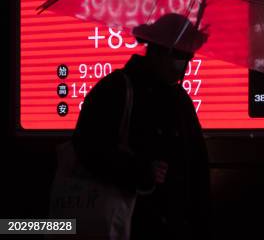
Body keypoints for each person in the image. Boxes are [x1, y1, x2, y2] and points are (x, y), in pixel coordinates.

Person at [72, 14, 212, 239]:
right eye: (179, 54)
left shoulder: (180, 99)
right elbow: (88, 147)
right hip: (129, 224)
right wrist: (137, 170)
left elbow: (196, 168)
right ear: (156, 50)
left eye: (189, 55)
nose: (185, 63)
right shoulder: (117, 89)